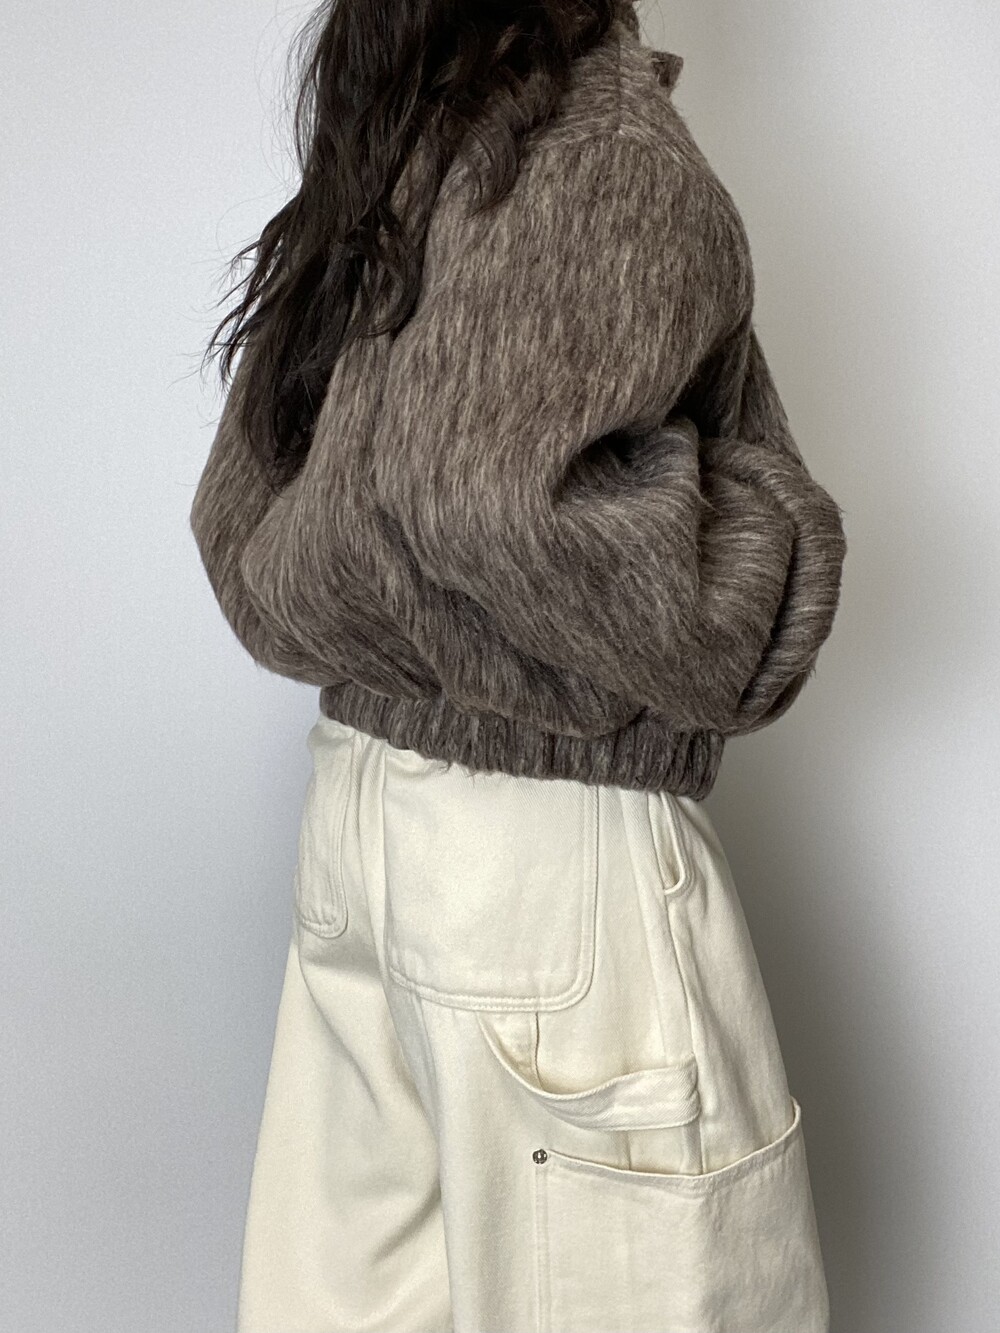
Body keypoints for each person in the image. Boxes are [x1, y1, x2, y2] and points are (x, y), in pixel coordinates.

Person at [189, 1, 847, 1329]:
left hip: (367, 822)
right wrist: (765, 556)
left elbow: (240, 512)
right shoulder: (600, 151)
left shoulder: (397, 148)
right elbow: (480, 496)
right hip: (551, 869)